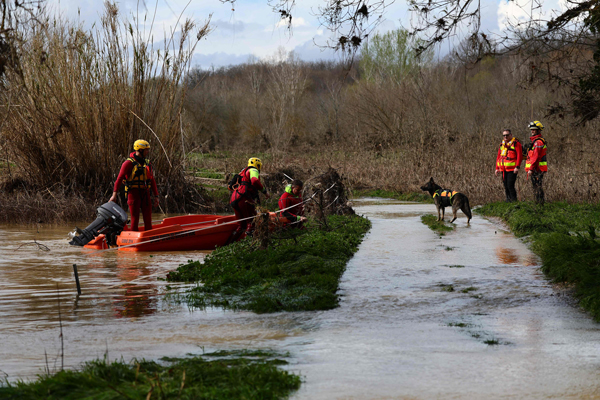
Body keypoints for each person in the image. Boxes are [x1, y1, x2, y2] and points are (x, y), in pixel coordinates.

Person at [109, 139, 159, 231]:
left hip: (145, 194)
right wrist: (114, 195)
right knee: (134, 219)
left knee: (148, 219)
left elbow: (152, 180)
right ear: (140, 150)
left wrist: (156, 196)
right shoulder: (128, 163)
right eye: (146, 150)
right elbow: (119, 179)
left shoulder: (147, 163)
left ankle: (149, 240)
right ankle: (134, 241)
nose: (148, 152)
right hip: (133, 194)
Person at [228, 157, 269, 242]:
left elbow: (231, 187)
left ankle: (229, 243)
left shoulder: (242, 172)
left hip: (234, 198)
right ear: (257, 165)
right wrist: (264, 191)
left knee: (241, 226)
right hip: (244, 198)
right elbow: (254, 181)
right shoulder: (253, 170)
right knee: (251, 223)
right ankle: (247, 246)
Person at [495, 129, 523, 202]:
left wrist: (517, 167)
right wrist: (497, 168)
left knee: (510, 185)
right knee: (506, 186)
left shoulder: (516, 143)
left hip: (512, 169)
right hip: (503, 169)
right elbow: (499, 156)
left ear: (511, 135)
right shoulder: (502, 144)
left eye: (507, 135)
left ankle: (514, 201)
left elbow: (519, 156)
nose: (505, 137)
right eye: (504, 135)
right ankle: (508, 200)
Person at [525, 120, 548, 205]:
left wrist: (531, 169)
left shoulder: (538, 142)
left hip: (537, 168)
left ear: (538, 130)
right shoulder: (534, 141)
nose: (532, 131)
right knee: (536, 186)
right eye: (531, 129)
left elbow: (536, 157)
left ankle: (540, 204)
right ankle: (538, 203)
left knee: (537, 186)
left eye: (534, 129)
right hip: (536, 168)